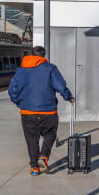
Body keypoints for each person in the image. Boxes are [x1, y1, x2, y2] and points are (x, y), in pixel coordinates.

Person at [8, 45, 74, 176]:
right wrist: (68, 97)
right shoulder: (50, 68)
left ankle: (34, 168)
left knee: (31, 140)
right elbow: (60, 85)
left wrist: (20, 103)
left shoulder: (21, 70)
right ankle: (43, 157)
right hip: (47, 111)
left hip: (27, 112)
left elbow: (12, 90)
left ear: (32, 55)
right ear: (44, 56)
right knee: (50, 134)